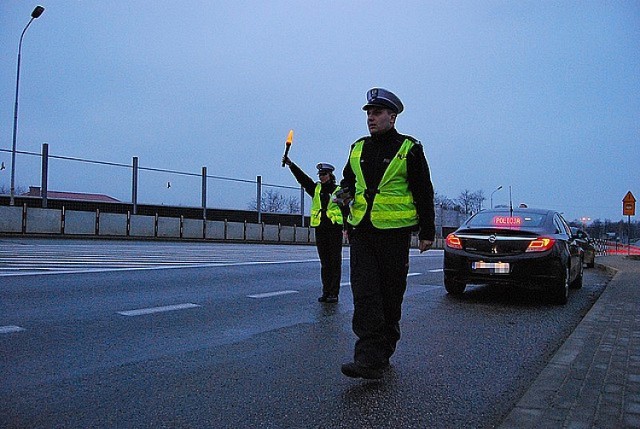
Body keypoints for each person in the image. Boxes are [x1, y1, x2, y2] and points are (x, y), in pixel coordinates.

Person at [336, 88, 435, 379]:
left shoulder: (409, 148)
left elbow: (423, 190)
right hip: (362, 232)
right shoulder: (357, 147)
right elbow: (348, 184)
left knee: (390, 296)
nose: (371, 118)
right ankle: (368, 358)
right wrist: (343, 204)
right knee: (365, 294)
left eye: (377, 113)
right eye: (368, 113)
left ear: (392, 116)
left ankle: (384, 350)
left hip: (394, 235)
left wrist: (427, 231)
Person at [282, 157, 344, 303]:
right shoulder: (316, 189)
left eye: (324, 174)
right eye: (320, 175)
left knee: (335, 262)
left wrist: (348, 227)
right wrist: (292, 165)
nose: (321, 177)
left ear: (330, 175)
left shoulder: (338, 190)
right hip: (320, 229)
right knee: (325, 262)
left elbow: (347, 208)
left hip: (334, 229)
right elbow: (302, 179)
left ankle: (334, 293)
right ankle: (326, 291)